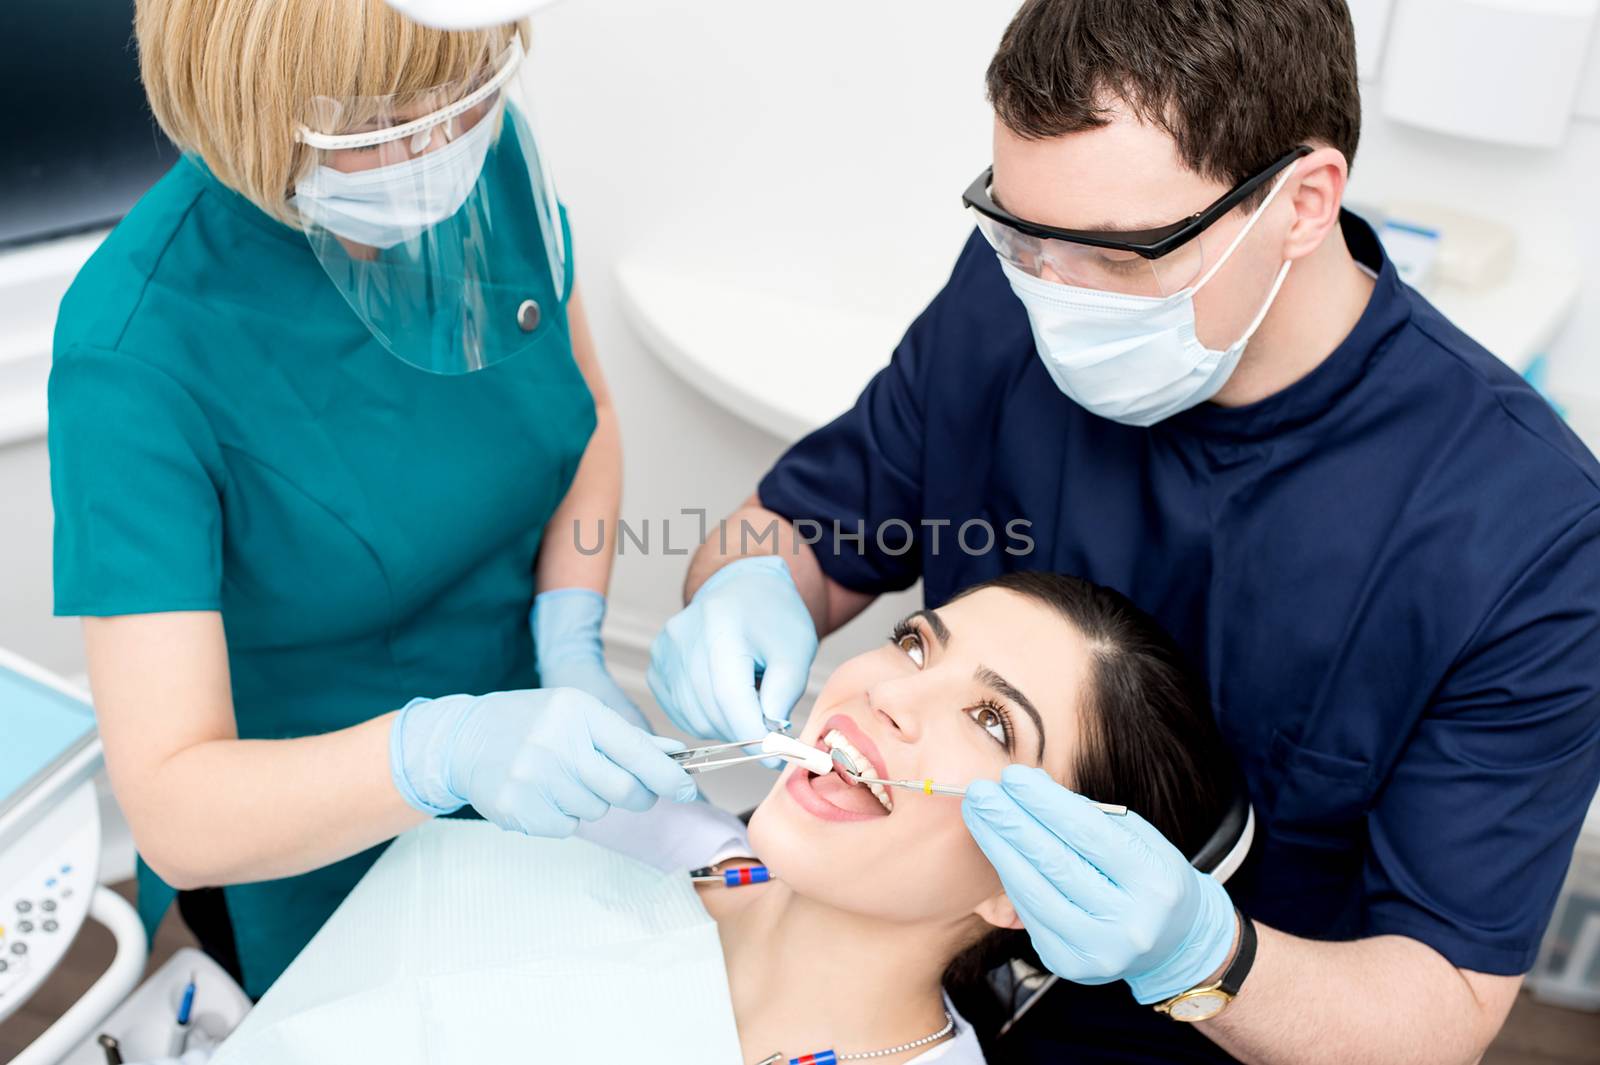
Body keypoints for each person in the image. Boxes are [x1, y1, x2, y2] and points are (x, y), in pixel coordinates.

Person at [647, 1, 1600, 1062]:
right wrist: (745, 589)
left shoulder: (1526, 537)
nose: (1054, 293)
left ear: (1303, 201)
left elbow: (1438, 1013)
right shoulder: (1013, 292)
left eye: (1117, 253)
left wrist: (1206, 958)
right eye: (1016, 229)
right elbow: (792, 535)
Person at [48, 0, 695, 1000]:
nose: (437, 146)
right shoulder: (134, 353)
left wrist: (571, 636)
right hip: (322, 856)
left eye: (463, 90)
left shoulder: (484, 170)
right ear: (250, 102)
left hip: (541, 770)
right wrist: (439, 750)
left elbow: (589, 415)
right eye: (379, 124)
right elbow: (174, 803)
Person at [209, 572, 1236, 1064]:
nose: (887, 692)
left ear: (1027, 886)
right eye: (917, 645)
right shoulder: (634, 838)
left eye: (988, 720)